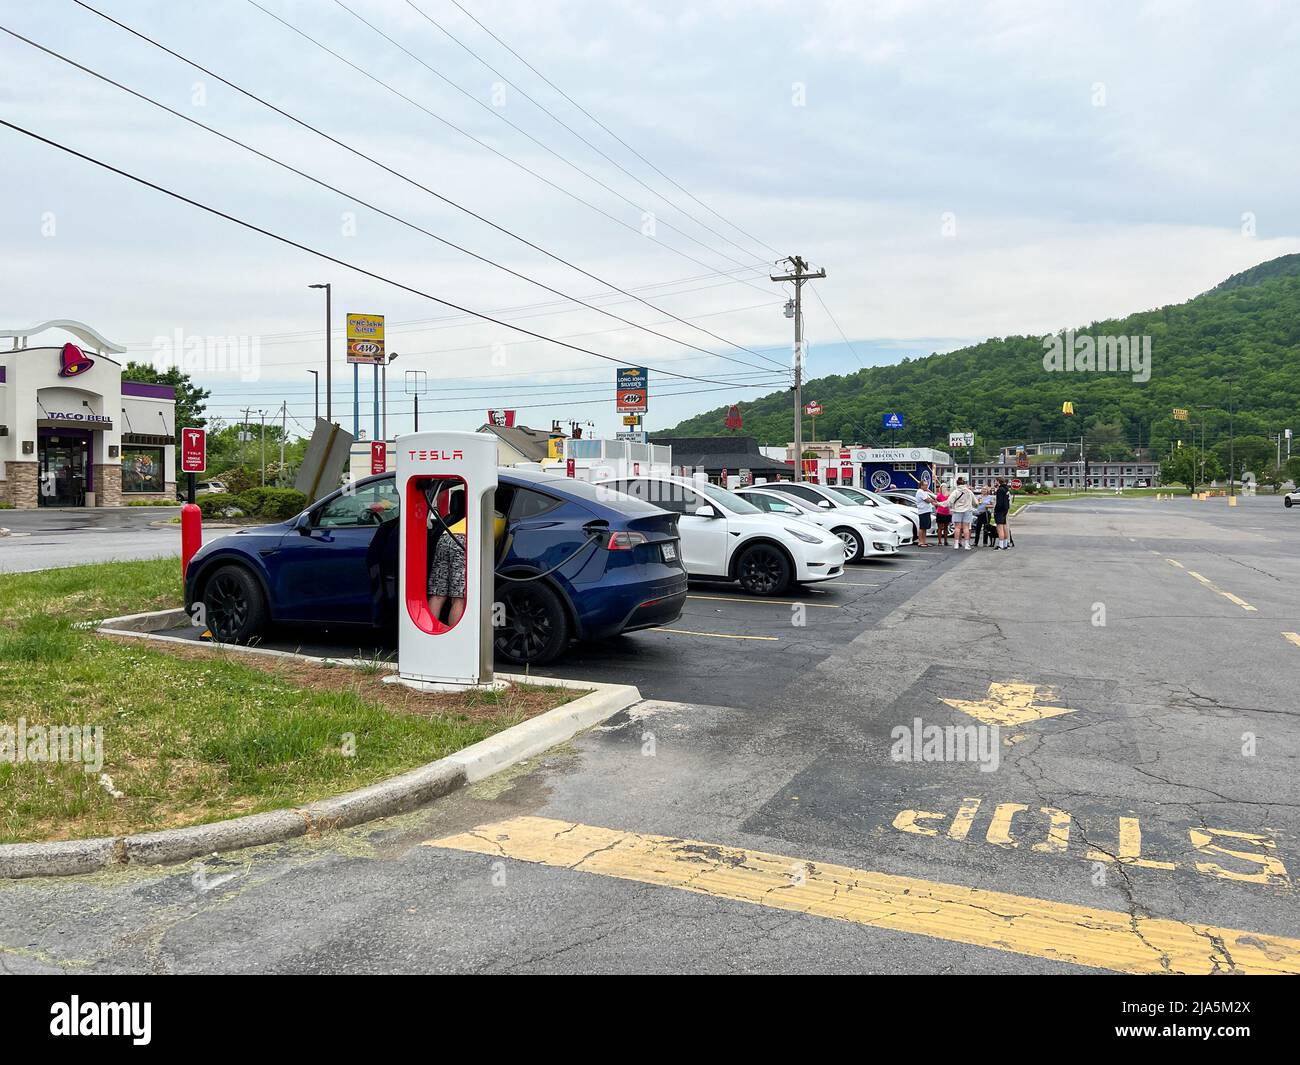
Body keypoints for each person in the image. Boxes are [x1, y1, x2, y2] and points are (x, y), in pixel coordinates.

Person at [428, 487, 467, 628]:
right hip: (462, 541)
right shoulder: (485, 515)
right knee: (458, 597)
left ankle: (430, 631)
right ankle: (454, 635)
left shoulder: (447, 520)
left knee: (438, 593)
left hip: (444, 539)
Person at [945, 477, 977, 550]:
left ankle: (956, 544)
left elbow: (949, 502)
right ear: (964, 483)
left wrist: (940, 504)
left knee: (957, 528)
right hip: (967, 511)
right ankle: (966, 544)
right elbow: (975, 502)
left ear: (957, 484)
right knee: (966, 528)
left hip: (957, 511)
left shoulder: (955, 492)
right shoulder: (969, 491)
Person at [913, 482, 937, 547]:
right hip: (923, 511)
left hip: (927, 511)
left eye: (927, 485)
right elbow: (927, 500)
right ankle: (920, 542)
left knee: (925, 528)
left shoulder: (924, 492)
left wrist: (929, 493)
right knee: (922, 527)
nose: (927, 486)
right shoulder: (920, 491)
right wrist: (932, 500)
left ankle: (924, 541)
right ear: (921, 486)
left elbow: (930, 497)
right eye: (925, 485)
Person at [994, 477, 1012, 550]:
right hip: (1005, 509)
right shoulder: (1006, 489)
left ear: (998, 481)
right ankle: (1005, 544)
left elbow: (999, 502)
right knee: (1004, 527)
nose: (995, 482)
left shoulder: (1000, 490)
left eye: (995, 481)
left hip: (1000, 510)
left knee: (999, 527)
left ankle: (1000, 545)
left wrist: (996, 510)